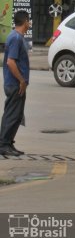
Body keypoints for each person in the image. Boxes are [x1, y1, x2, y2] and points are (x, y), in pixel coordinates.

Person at [0, 10, 30, 156]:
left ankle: (8, 143)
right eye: (28, 21)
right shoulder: (16, 38)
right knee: (12, 115)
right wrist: (22, 80)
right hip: (15, 84)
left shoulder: (17, 37)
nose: (29, 24)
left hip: (17, 84)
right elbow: (10, 62)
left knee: (16, 115)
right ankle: (3, 145)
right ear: (25, 22)